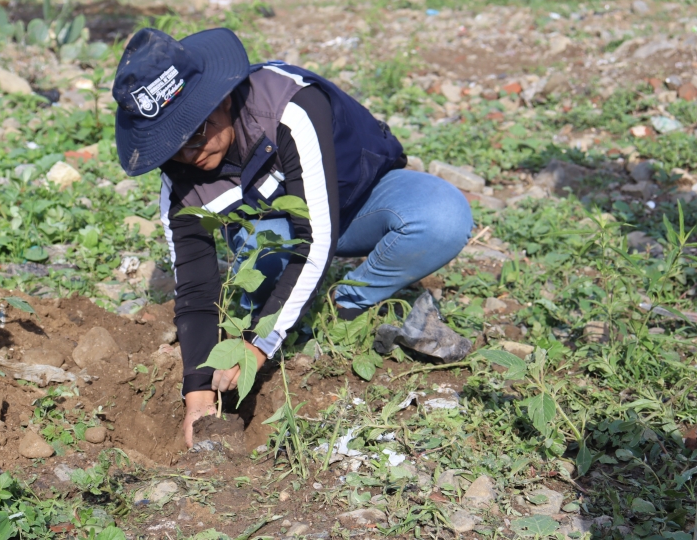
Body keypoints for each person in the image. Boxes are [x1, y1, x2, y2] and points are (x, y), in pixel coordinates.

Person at [111, 28, 472, 448]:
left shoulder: (289, 107)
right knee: (264, 248)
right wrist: (197, 397)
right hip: (277, 234)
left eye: (195, 132)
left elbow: (316, 235)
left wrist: (257, 348)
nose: (190, 153)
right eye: (172, 145)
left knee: (442, 216)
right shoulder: (181, 185)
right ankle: (288, 306)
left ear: (221, 98)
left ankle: (341, 306)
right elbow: (195, 289)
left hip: (357, 204)